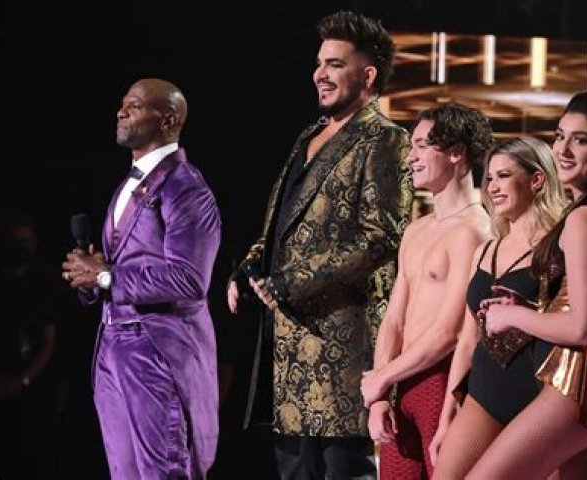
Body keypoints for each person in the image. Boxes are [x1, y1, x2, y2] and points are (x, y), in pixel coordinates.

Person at [226, 10, 413, 479]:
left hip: (342, 351)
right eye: (319, 63)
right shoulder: (308, 136)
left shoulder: (386, 140)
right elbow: (281, 226)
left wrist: (289, 283)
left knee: (343, 469)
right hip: (289, 352)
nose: (320, 74)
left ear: (367, 76)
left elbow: (382, 237)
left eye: (334, 64)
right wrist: (249, 268)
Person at [470, 89, 587, 479]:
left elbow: (581, 328)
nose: (563, 149)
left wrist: (512, 317)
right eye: (560, 136)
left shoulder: (585, 219)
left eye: (581, 140)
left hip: (580, 377)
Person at [61, 78, 221, 479]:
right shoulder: (127, 185)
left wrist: (106, 276)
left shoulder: (186, 186)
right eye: (122, 104)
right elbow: (117, 268)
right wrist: (89, 275)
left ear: (167, 119)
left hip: (156, 348)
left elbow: (189, 280)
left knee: (163, 470)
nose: (121, 112)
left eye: (134, 105)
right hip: (111, 346)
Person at [358, 102, 493, 479]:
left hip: (442, 381)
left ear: (456, 152)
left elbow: (451, 332)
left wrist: (383, 378)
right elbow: (394, 319)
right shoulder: (416, 230)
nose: (411, 157)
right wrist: (380, 393)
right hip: (402, 382)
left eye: (421, 146)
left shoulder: (474, 231)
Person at [429, 137, 568, 479]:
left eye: (503, 176)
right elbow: (467, 340)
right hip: (483, 395)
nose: (492, 187)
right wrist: (448, 414)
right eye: (489, 178)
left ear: (537, 179)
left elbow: (576, 326)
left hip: (539, 399)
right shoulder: (485, 250)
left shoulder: (562, 247)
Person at [0, 212, 62, 479]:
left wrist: (23, 379)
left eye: (24, 242)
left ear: (34, 243)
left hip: (33, 392)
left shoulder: (44, 285)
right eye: (13, 242)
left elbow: (50, 341)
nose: (18, 248)